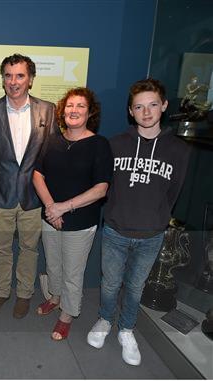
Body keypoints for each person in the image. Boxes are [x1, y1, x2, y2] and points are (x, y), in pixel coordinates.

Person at [86, 78, 191, 366]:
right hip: (116, 230)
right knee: (110, 284)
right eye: (139, 107)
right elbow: (106, 185)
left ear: (164, 106)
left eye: (153, 105)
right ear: (131, 111)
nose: (146, 112)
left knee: (135, 287)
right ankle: (105, 320)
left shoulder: (179, 151)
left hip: (151, 234)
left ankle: (127, 329)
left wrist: (155, 218)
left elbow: (173, 193)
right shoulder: (115, 144)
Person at [0, 53, 57, 318]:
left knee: (29, 249)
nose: (14, 81)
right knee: (1, 249)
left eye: (20, 75)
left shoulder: (48, 109)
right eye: (8, 76)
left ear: (30, 79)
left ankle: (24, 294)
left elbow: (51, 157)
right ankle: (2, 292)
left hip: (33, 197)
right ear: (3, 80)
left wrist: (50, 197)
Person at [32, 87, 113, 340]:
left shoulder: (99, 145)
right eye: (69, 105)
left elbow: (100, 189)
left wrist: (63, 207)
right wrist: (50, 208)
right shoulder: (52, 140)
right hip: (51, 218)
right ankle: (55, 298)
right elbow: (37, 175)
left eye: (80, 106)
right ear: (62, 110)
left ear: (90, 112)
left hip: (80, 222)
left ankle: (67, 314)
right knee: (53, 264)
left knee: (72, 272)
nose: (74, 110)